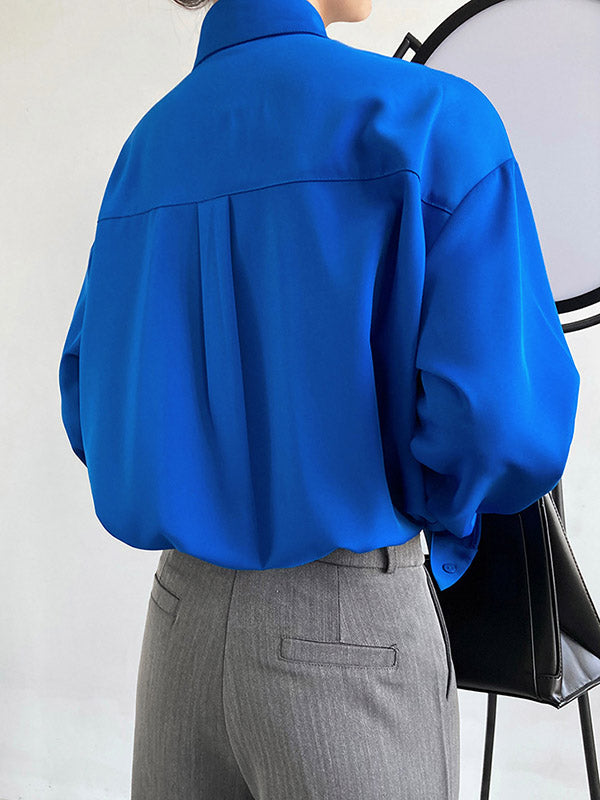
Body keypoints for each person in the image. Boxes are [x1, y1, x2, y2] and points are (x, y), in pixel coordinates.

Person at [57, 0, 580, 795]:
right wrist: (438, 517)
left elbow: (87, 403)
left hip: (179, 621)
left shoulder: (150, 145)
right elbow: (502, 427)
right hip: (350, 627)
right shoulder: (426, 118)